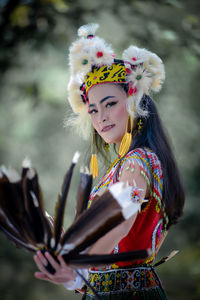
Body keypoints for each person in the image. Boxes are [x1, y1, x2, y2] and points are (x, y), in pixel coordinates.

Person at [33, 23, 184, 299]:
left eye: (110, 104)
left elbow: (120, 223)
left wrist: (73, 261)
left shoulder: (137, 161)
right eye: (93, 109)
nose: (100, 116)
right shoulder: (131, 163)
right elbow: (102, 262)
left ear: (133, 102)